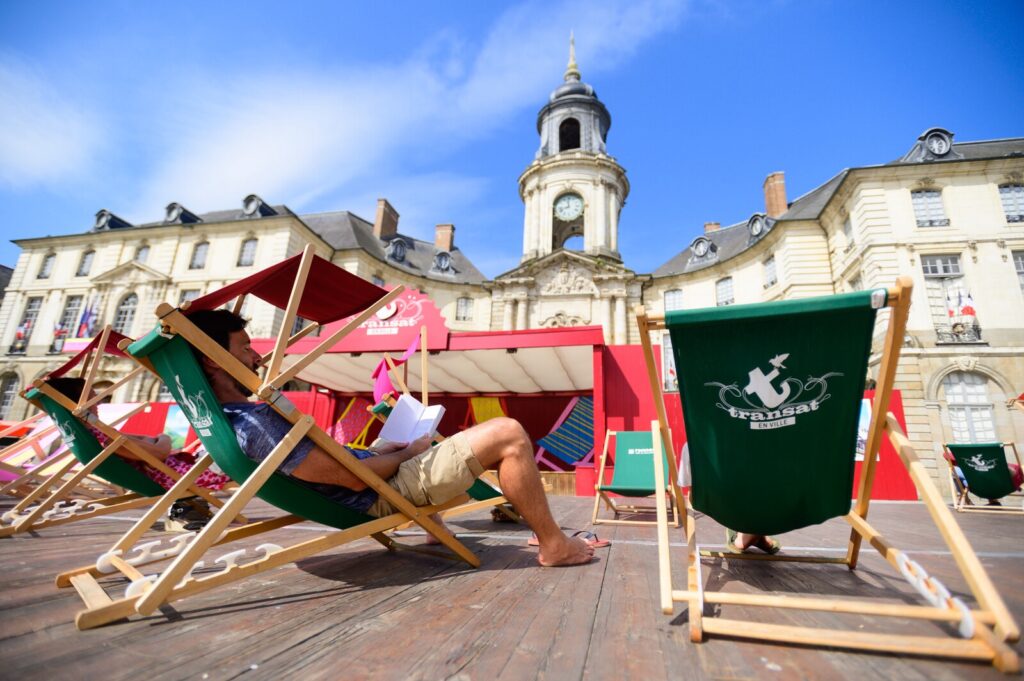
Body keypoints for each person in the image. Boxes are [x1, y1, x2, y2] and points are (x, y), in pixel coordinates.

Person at [186, 309, 597, 567]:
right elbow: (348, 479)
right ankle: (553, 545)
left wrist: (387, 449)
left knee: (431, 439)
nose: (256, 356)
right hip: (379, 491)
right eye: (243, 348)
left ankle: (506, 524)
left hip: (376, 476)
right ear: (212, 359)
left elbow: (335, 468)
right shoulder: (256, 422)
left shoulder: (235, 418)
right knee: (508, 433)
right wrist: (410, 454)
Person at [48, 377, 231, 529]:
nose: (99, 404)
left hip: (180, 472)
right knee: (233, 448)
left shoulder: (97, 437)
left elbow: (146, 443)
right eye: (93, 399)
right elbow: (161, 451)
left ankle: (190, 508)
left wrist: (153, 441)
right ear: (79, 406)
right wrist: (163, 437)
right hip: (185, 476)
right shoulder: (108, 440)